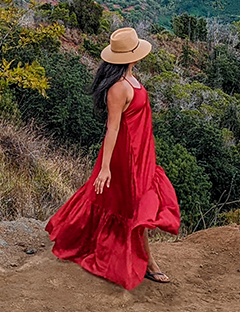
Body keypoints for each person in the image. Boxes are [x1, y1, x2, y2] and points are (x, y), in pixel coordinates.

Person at [45, 27, 180, 289]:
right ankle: (149, 264)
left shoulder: (130, 79)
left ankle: (130, 255)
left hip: (141, 152)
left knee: (130, 203)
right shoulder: (118, 88)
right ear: (132, 56)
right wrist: (105, 168)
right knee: (134, 206)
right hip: (126, 157)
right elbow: (113, 128)